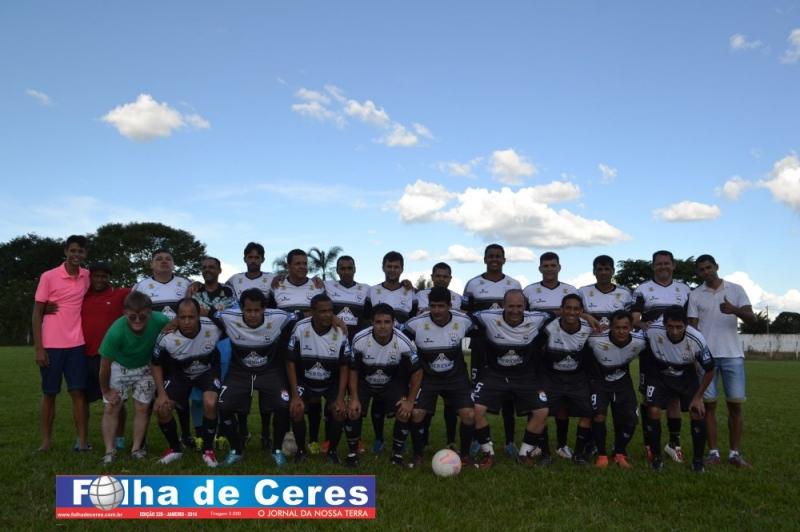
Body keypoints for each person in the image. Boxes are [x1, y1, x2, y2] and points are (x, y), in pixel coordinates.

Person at [211, 288, 298, 466]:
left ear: (264, 309)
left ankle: (277, 450)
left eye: (257, 310)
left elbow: (302, 315)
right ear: (241, 309)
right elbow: (206, 313)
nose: (252, 315)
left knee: (283, 406)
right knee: (224, 406)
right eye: (248, 310)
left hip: (269, 371)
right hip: (240, 372)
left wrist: (335, 319)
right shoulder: (227, 317)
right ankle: (236, 450)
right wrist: (173, 323)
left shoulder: (279, 317)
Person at [688, 254, 756, 467]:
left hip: (732, 355)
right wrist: (695, 356)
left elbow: (753, 320)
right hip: (706, 358)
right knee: (709, 407)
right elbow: (692, 328)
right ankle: (713, 453)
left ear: (716, 267)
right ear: (698, 272)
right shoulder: (695, 294)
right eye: (701, 269)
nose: (706, 272)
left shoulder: (736, 289)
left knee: (735, 406)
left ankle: (735, 453)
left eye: (709, 267)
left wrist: (734, 310)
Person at [471, 290, 550, 468]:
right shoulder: (487, 316)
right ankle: (488, 454)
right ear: (503, 306)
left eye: (519, 306)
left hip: (524, 376)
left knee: (542, 412)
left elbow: (560, 315)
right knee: (475, 409)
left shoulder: (537, 318)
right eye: (511, 306)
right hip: (495, 374)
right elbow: (463, 316)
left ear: (525, 306)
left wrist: (586, 316)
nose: (515, 310)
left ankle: (524, 454)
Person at [632, 250, 692, 464]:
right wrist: (644, 325)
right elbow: (635, 318)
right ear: (653, 266)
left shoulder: (684, 289)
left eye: (667, 263)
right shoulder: (642, 289)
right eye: (659, 263)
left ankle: (674, 443)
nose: (663, 266)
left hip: (677, 351)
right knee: (649, 398)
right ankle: (650, 443)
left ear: (673, 265)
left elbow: (691, 320)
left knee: (674, 398)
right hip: (651, 352)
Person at [32, 235, 91, 452]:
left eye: (80, 251)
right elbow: (36, 313)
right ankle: (46, 442)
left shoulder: (86, 276)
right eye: (73, 250)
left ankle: (82, 442)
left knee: (78, 393)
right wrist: (39, 348)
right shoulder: (48, 276)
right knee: (49, 393)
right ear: (66, 251)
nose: (76, 254)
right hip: (51, 345)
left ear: (85, 254)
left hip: (77, 344)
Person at [462, 244, 522, 457]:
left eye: (498, 256)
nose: (494, 259)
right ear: (485, 259)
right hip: (481, 345)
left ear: (504, 259)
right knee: (477, 392)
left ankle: (509, 442)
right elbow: (466, 314)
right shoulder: (473, 284)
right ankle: (477, 439)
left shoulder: (514, 284)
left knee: (508, 394)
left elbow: (520, 314)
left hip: (507, 346)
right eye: (491, 256)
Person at [405, 287, 476, 465]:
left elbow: (481, 334)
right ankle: (418, 454)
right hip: (428, 378)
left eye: (441, 306)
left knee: (468, 414)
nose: (436, 310)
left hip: (456, 377)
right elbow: (400, 341)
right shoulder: (415, 324)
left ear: (450, 306)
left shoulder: (464, 321)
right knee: (417, 413)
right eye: (433, 306)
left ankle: (465, 455)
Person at [98, 291, 171, 464]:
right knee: (112, 406)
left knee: (142, 407)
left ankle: (137, 449)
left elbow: (174, 323)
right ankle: (109, 451)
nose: (137, 321)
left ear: (150, 313)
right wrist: (106, 391)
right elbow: (104, 365)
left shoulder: (160, 320)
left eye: (142, 317)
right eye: (132, 317)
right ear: (125, 313)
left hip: (145, 367)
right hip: (119, 366)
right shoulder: (116, 331)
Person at [347, 304, 422, 468]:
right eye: (378, 322)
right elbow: (353, 370)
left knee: (404, 410)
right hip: (365, 381)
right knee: (353, 410)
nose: (382, 326)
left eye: (387, 322)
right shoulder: (359, 339)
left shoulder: (404, 342)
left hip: (391, 381)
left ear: (393, 323)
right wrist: (353, 398)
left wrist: (410, 401)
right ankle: (352, 454)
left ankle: (397, 455)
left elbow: (417, 373)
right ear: (372, 323)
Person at [642, 306, 715, 472]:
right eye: (670, 326)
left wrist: (698, 397)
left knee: (697, 411)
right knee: (653, 410)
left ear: (686, 325)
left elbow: (710, 369)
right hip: (659, 372)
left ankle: (698, 461)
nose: (675, 331)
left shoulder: (696, 338)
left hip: (685, 373)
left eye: (679, 327)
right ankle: (656, 458)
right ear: (664, 324)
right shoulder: (652, 331)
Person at [523, 251, 580, 460]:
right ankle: (538, 444)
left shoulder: (570, 290)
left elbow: (579, 314)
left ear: (559, 267)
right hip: (536, 350)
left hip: (563, 349)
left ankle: (562, 445)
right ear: (540, 268)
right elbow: (523, 317)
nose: (549, 269)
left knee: (562, 400)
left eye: (553, 265)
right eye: (545, 265)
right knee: (537, 397)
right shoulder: (529, 290)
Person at [152, 298, 222, 467]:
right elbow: (155, 364)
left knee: (210, 402)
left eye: (191, 317)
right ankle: (175, 449)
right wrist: (161, 393)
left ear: (199, 316)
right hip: (180, 374)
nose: (187, 321)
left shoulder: (213, 327)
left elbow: (233, 324)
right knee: (162, 408)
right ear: (176, 318)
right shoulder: (166, 336)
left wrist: (211, 312)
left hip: (206, 372)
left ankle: (208, 450)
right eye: (182, 317)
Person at [286, 294, 351, 464]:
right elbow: (290, 362)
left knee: (339, 411)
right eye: (322, 311)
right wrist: (295, 395)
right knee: (297, 409)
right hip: (305, 381)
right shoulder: (300, 327)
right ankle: (301, 451)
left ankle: (332, 452)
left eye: (330, 311)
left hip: (330, 382)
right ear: (312, 312)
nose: (327, 315)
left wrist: (340, 397)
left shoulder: (340, 331)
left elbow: (345, 366)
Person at [536, 293, 595, 465]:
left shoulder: (588, 329)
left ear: (582, 311)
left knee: (588, 412)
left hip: (577, 378)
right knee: (541, 411)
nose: (572, 312)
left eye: (576, 309)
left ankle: (578, 454)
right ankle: (545, 453)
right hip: (551, 377)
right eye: (568, 308)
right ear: (561, 310)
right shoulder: (549, 328)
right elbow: (535, 351)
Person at [366, 251, 415, 453]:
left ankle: (400, 440)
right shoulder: (373, 291)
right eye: (389, 266)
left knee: (401, 393)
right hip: (379, 350)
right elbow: (366, 318)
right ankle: (379, 439)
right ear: (383, 267)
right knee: (378, 394)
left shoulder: (411, 291)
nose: (392, 270)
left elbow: (415, 319)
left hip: (402, 352)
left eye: (396, 267)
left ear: (402, 269)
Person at [586, 310, 646, 468]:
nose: (621, 331)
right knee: (599, 416)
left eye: (625, 327)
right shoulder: (595, 339)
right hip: (599, 382)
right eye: (617, 327)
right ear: (610, 327)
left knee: (631, 419)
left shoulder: (640, 341)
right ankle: (601, 455)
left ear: (631, 328)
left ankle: (619, 453)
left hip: (623, 382)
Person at [80, 261, 131, 450]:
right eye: (96, 276)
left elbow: (146, 294)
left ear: (109, 278)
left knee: (118, 399)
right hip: (85, 355)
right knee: (82, 398)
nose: (100, 279)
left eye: (104, 276)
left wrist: (195, 286)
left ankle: (119, 437)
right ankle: (82, 439)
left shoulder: (120, 294)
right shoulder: (81, 295)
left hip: (113, 357)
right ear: (90, 277)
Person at [132, 249, 190, 319]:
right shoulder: (140, 287)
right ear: (151, 265)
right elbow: (134, 314)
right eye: (159, 259)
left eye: (168, 259)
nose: (164, 261)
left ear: (173, 265)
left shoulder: (186, 284)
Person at [578, 255, 634, 328]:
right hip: (588, 333)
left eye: (607, 269)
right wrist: (586, 316)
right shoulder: (583, 292)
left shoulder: (625, 293)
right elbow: (573, 313)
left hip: (616, 334)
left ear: (613, 271)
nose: (603, 272)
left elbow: (630, 318)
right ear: (594, 271)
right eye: (599, 269)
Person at [271, 249, 325, 315]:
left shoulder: (318, 286)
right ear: (288, 266)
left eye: (305, 263)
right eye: (298, 264)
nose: (302, 267)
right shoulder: (276, 285)